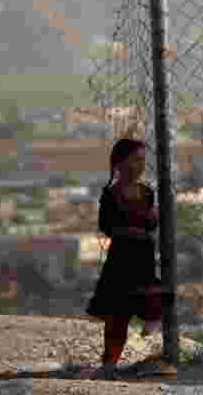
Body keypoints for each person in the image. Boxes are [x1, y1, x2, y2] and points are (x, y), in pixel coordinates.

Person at [83, 138, 168, 380]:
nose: (140, 165)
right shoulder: (111, 194)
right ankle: (109, 365)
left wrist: (145, 222)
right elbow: (107, 225)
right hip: (121, 258)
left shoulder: (147, 192)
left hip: (143, 256)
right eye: (135, 159)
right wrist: (133, 228)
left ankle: (152, 329)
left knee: (150, 292)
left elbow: (151, 223)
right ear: (120, 163)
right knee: (117, 315)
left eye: (143, 160)